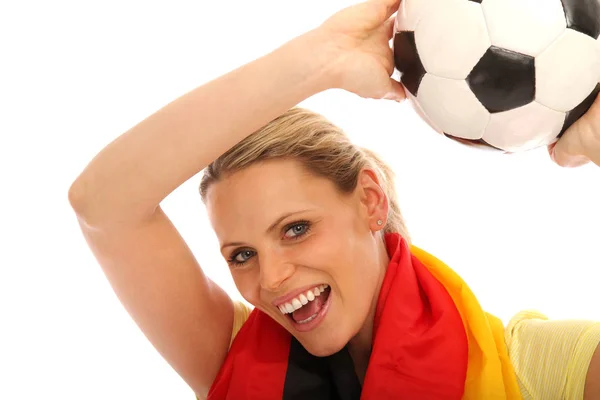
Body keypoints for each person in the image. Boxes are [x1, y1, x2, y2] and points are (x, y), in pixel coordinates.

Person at [68, 0, 600, 398]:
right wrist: (319, 62)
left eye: (295, 228)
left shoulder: (531, 367)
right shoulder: (230, 356)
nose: (271, 279)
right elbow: (103, 204)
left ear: (369, 200)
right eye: (242, 255)